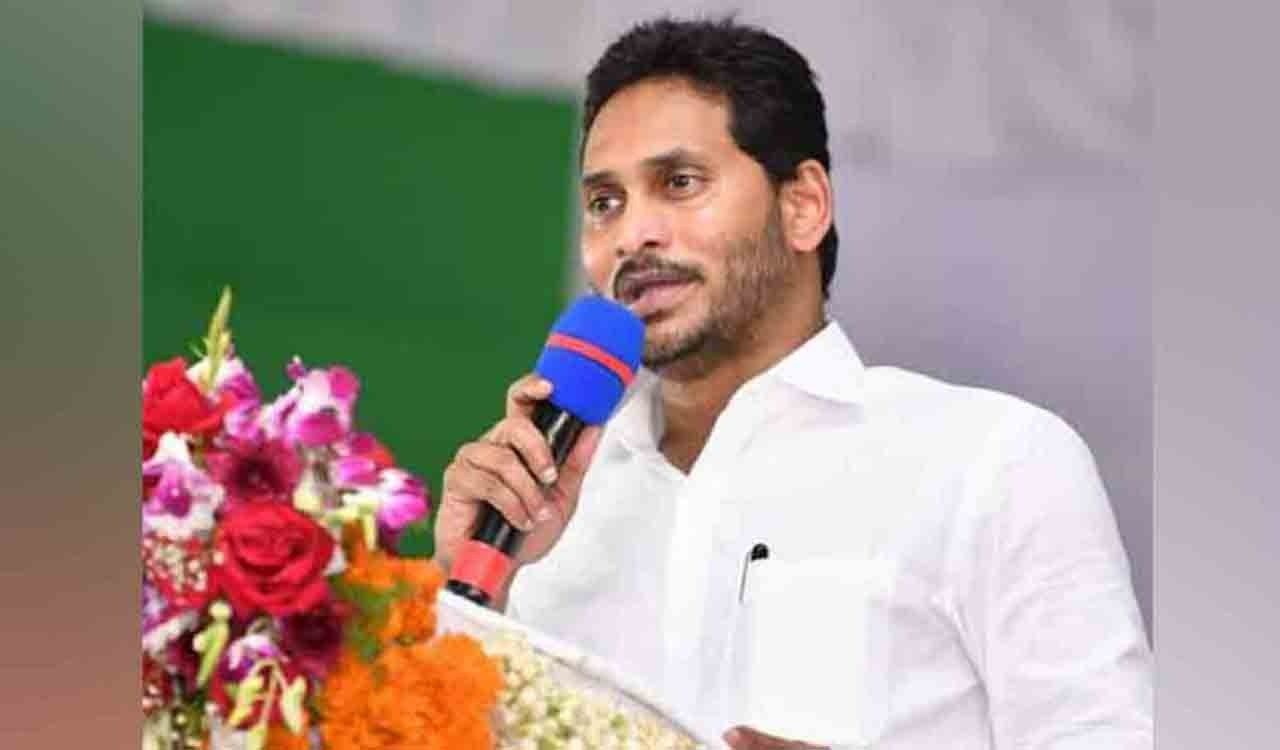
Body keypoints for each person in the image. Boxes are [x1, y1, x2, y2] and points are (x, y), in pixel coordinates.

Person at [435, 16, 1152, 750]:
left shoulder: (993, 461)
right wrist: (467, 587)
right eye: (604, 203)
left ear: (803, 206)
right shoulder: (546, 510)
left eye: (679, 183)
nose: (631, 234)